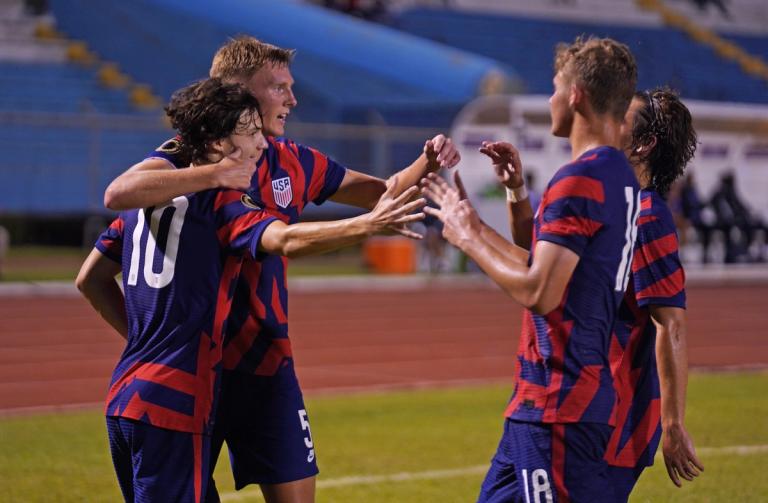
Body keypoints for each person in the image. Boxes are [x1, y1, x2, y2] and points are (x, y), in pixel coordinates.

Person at [99, 37, 459, 502]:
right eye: (278, 88)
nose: (292, 99)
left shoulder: (292, 158)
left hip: (262, 362)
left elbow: (380, 194)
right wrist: (149, 338)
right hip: (196, 369)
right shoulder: (193, 161)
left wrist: (426, 162)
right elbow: (120, 194)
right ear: (238, 93)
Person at [422, 36, 639, 502]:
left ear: (576, 95)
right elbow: (540, 261)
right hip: (542, 400)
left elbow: (540, 292)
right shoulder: (615, 174)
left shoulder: (579, 179)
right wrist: (482, 219)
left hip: (560, 403)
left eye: (555, 87)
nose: (550, 99)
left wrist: (465, 240)